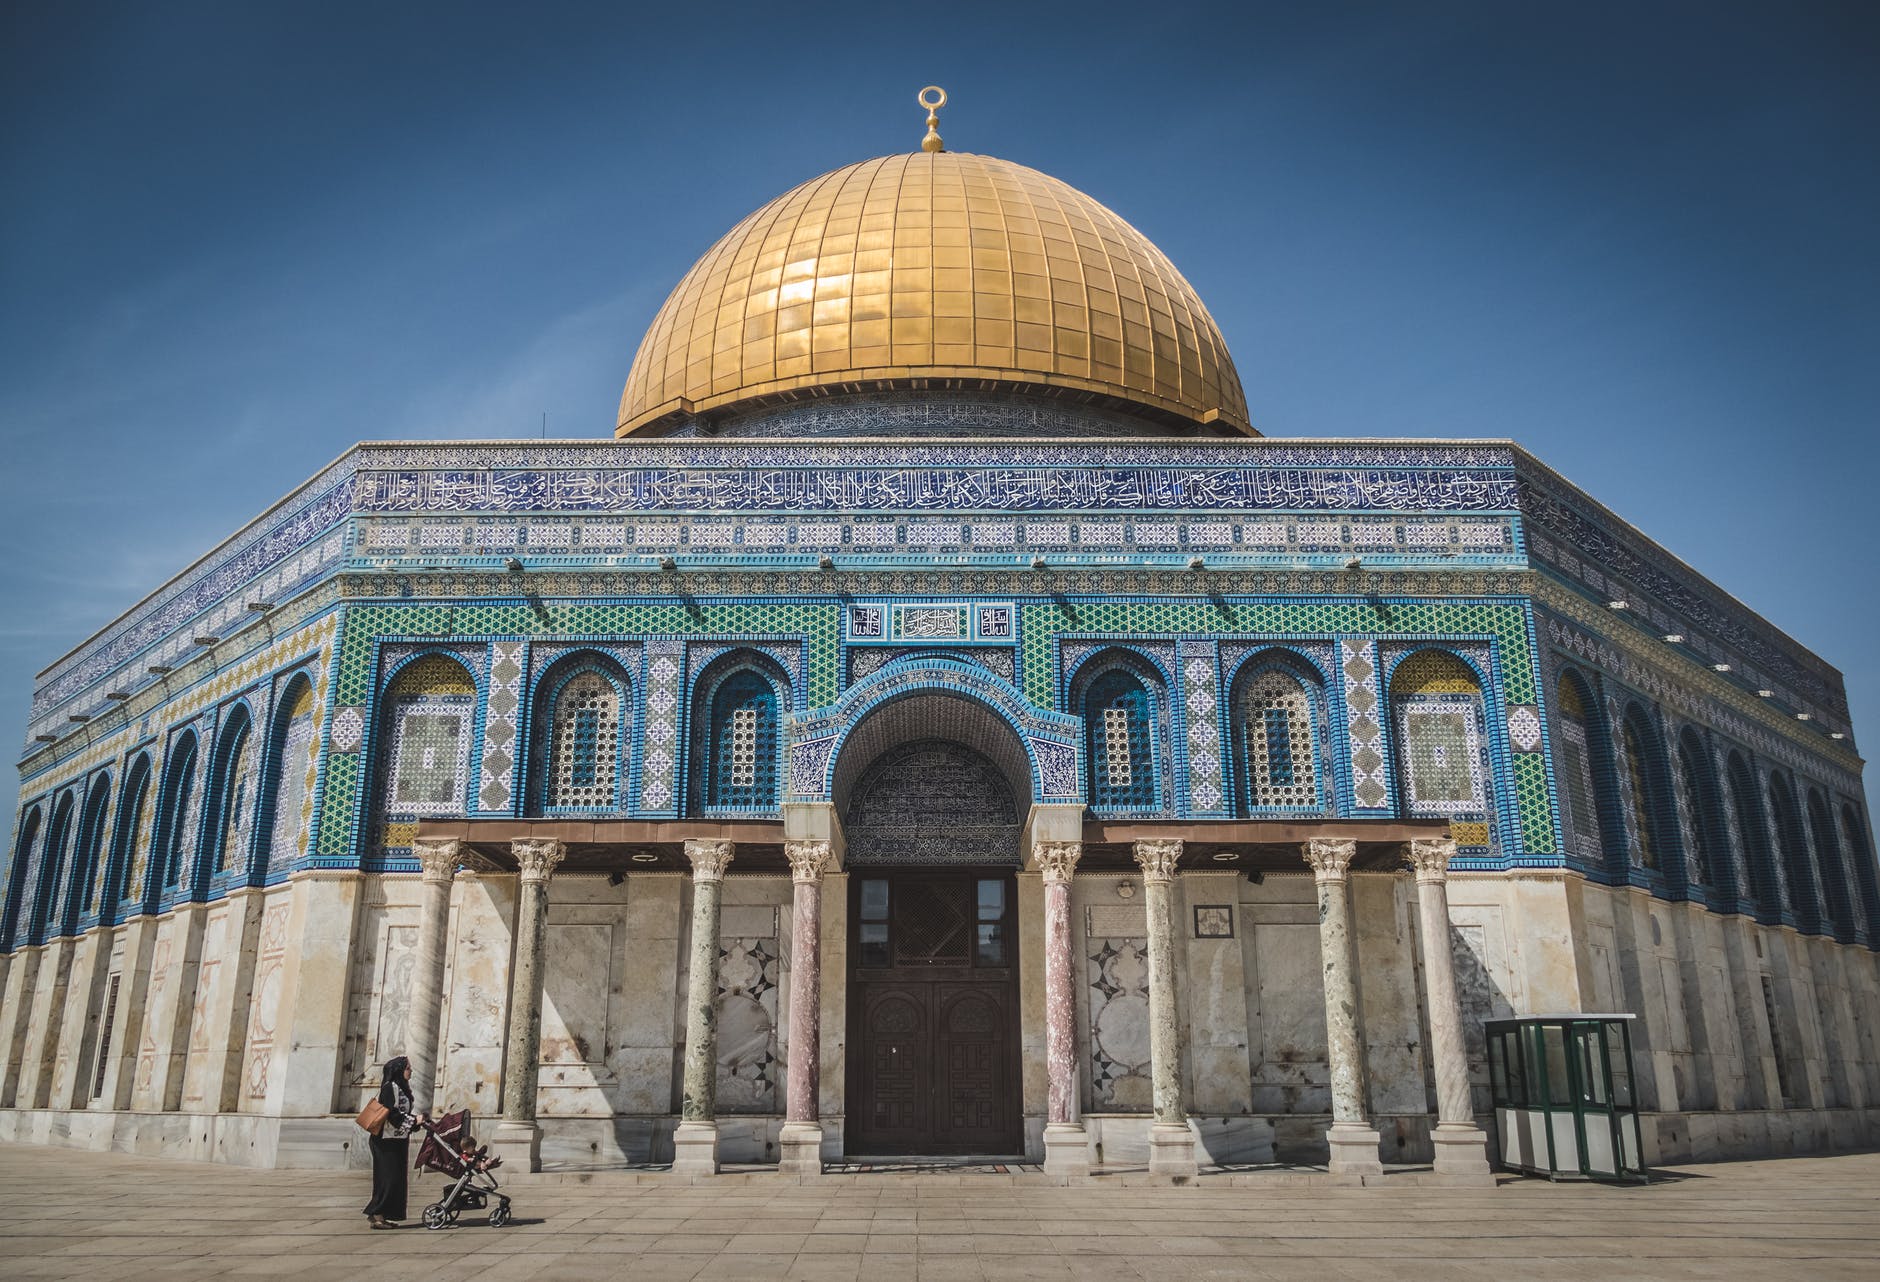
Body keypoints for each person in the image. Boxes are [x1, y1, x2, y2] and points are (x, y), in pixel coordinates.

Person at [364, 1056, 426, 1229]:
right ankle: (377, 1214)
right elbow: (392, 1114)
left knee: (396, 1178)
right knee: (388, 1178)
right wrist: (414, 1121)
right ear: (399, 1070)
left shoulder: (401, 1087)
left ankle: (381, 1214)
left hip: (397, 1139)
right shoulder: (390, 1088)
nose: (411, 1071)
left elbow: (400, 1114)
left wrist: (414, 1123)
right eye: (408, 1068)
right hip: (385, 1141)